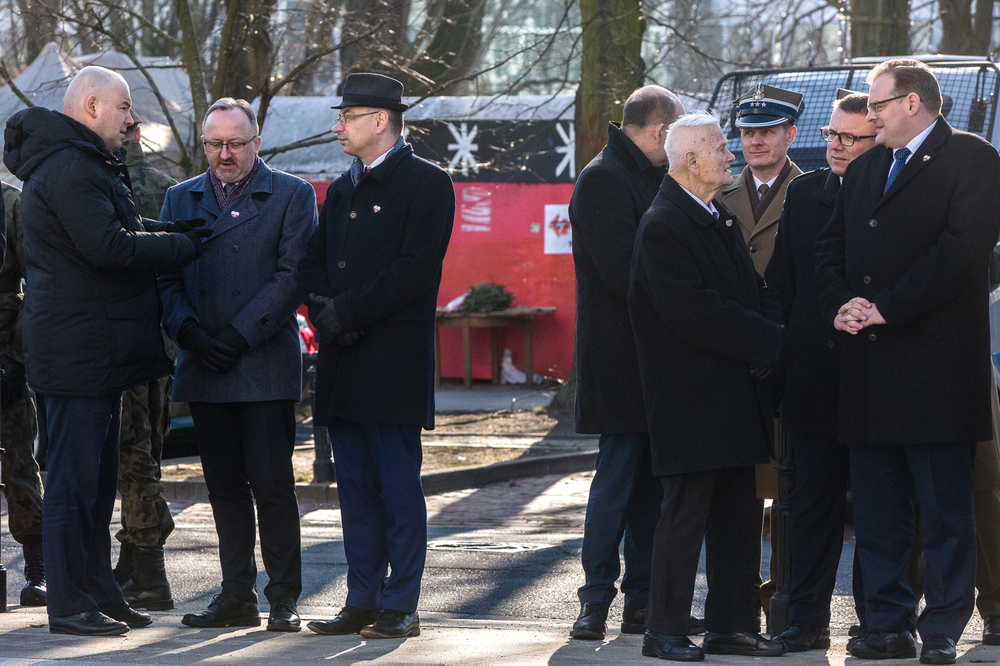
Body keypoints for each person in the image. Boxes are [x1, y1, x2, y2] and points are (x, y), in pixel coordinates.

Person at [2, 65, 209, 636]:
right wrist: (183, 247)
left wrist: (176, 230)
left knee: (96, 484)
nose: (131, 119)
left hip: (95, 349)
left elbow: (121, 226)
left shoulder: (82, 163)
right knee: (73, 484)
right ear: (91, 106)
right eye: (123, 107)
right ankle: (69, 603)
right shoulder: (70, 167)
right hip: (78, 353)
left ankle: (98, 590)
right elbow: (110, 247)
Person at [816, 58, 1000, 665]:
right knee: (878, 513)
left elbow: (962, 252)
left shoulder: (972, 159)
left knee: (946, 511)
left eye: (878, 105)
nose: (870, 117)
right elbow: (830, 247)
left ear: (912, 103)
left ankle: (943, 625)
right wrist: (842, 304)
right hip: (870, 374)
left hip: (937, 374)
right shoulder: (867, 168)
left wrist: (886, 308)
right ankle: (888, 623)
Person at [301, 73, 454, 640]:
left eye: (347, 116)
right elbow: (313, 261)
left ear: (381, 120)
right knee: (356, 492)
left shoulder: (428, 183)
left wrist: (346, 312)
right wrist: (325, 310)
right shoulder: (343, 188)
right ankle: (361, 599)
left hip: (391, 365)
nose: (337, 127)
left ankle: (401, 604)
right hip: (344, 362)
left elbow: (415, 271)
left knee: (397, 490)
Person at [629, 111, 785, 662]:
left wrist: (775, 331)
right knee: (685, 516)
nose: (730, 155)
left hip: (733, 397)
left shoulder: (714, 214)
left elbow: (751, 291)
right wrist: (773, 342)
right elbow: (697, 313)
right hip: (691, 403)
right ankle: (664, 629)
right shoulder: (664, 225)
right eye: (720, 148)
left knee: (738, 518)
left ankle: (732, 626)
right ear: (692, 160)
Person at [159, 97, 317, 632]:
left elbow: (292, 276)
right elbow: (165, 277)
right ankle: (235, 596)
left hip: (263, 363)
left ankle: (284, 598)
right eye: (214, 144)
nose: (224, 154)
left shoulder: (292, 194)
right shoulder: (180, 197)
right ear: (203, 143)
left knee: (273, 487)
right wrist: (190, 332)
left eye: (235, 143)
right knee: (224, 489)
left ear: (257, 143)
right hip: (204, 362)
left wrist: (238, 334)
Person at [567, 85, 694, 641]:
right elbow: (624, 273)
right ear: (661, 131)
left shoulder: (643, 175)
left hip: (650, 361)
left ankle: (643, 602)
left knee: (652, 491)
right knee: (617, 485)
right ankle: (595, 599)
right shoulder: (603, 179)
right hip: (621, 362)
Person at [764, 91, 875, 652]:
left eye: (851, 137)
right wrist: (780, 361)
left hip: (876, 380)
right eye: (832, 134)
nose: (836, 145)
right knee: (811, 509)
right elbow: (782, 285)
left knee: (882, 512)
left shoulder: (893, 192)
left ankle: (879, 623)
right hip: (811, 380)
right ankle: (806, 621)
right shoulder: (805, 193)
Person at [718, 82, 804, 621]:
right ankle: (738, 603)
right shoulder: (720, 193)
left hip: (789, 355)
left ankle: (783, 601)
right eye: (748, 132)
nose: (755, 142)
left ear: (790, 135)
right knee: (741, 490)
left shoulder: (812, 190)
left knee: (788, 488)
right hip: (734, 358)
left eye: (767, 132)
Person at [113, 110, 180, 611]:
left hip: (124, 339)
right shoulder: (168, 189)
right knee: (148, 453)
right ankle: (133, 561)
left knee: (132, 458)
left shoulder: (103, 188)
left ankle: (150, 575)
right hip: (163, 342)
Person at [0, 180, 45, 607]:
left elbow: (37, 284)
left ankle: (37, 569)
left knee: (17, 464)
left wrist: (16, 360)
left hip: (4, 360)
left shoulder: (11, 202)